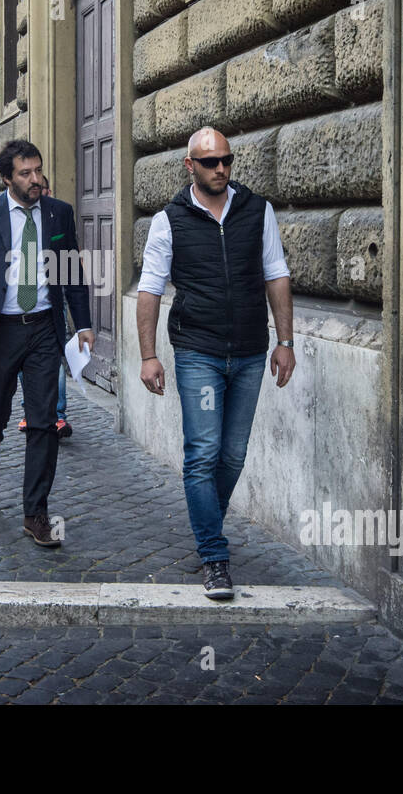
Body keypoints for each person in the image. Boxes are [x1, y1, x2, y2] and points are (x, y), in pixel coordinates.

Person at [137, 126, 296, 600]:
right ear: (190, 166)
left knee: (232, 456)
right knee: (202, 453)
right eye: (210, 162)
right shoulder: (170, 219)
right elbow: (149, 289)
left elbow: (277, 275)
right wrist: (148, 356)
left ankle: (208, 524)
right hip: (197, 352)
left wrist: (284, 341)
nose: (221, 169)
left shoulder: (256, 210)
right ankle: (214, 556)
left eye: (226, 160)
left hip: (249, 351)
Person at [0, 140, 94, 547]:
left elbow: (72, 275)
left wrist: (81, 324)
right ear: (7, 177)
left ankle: (36, 513)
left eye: (38, 171)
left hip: (44, 330)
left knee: (44, 422)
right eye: (26, 173)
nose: (35, 180)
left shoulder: (58, 212)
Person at [18, 175, 71, 438]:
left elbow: (69, 262)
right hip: (20, 305)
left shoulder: (58, 215)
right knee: (22, 364)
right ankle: (31, 411)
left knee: (55, 361)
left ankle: (58, 415)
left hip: (51, 302)